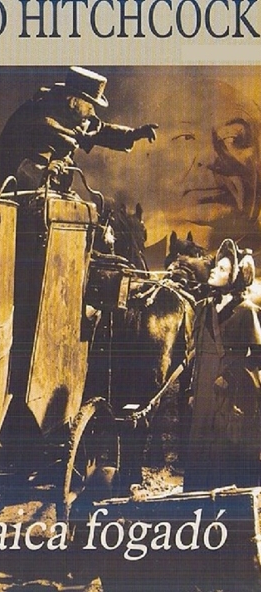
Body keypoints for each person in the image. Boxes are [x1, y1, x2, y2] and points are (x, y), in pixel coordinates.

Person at [124, 78, 261, 270]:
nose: (210, 158)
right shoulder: (136, 267)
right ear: (151, 161)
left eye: (233, 138)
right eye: (185, 138)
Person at [0, 66, 158, 194]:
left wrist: (135, 134)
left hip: (43, 192)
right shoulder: (36, 114)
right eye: (89, 104)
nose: (92, 111)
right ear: (74, 100)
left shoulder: (74, 116)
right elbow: (27, 165)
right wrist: (50, 167)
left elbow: (101, 130)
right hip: (7, 192)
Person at [184, 238, 261, 492]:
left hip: (228, 394)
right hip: (203, 391)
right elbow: (196, 353)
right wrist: (192, 390)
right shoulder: (204, 308)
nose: (215, 270)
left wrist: (229, 378)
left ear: (234, 279)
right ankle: (196, 504)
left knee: (223, 449)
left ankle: (226, 507)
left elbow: (257, 356)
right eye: (217, 266)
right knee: (199, 448)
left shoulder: (246, 311)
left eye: (223, 269)